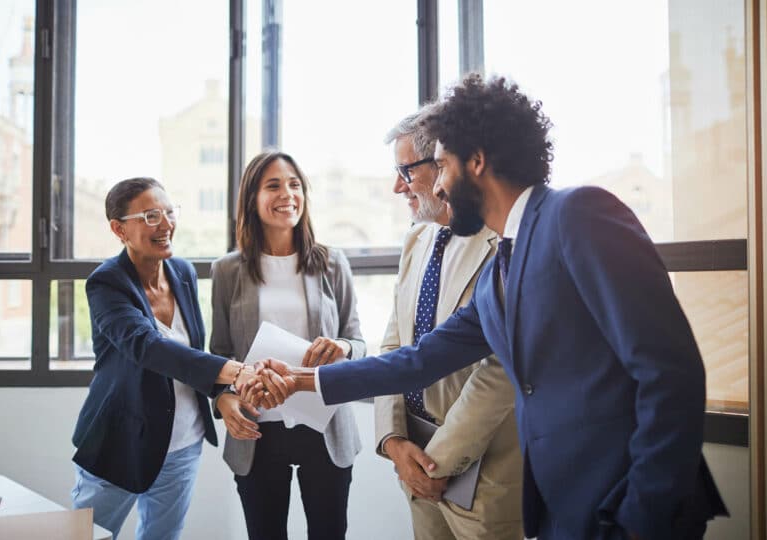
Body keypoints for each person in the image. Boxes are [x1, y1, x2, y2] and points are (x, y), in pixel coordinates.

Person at [256, 75, 729, 540]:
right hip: (563, 507)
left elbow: (671, 372)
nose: (437, 187)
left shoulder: (579, 214)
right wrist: (303, 381)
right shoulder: (503, 266)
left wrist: (643, 516)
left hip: (626, 506)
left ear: (477, 161)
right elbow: (419, 360)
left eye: (440, 166)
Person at [71, 177, 288, 540]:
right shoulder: (106, 283)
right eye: (151, 216)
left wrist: (222, 394)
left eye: (169, 213)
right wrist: (237, 372)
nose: (167, 224)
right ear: (118, 228)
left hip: (182, 443)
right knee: (84, 537)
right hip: (119, 443)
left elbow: (191, 356)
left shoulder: (182, 272)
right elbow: (147, 346)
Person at [375, 110, 522, 539]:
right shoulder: (416, 238)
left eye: (406, 171)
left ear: (444, 164)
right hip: (413, 458)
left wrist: (436, 461)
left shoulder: (501, 244)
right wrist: (392, 441)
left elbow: (500, 372)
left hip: (483, 473)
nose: (397, 186)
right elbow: (393, 346)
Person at [210, 150, 364, 540]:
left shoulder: (332, 262)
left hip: (324, 426)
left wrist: (343, 347)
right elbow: (218, 354)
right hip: (257, 429)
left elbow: (359, 342)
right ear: (252, 198)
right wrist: (223, 399)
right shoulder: (228, 270)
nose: (288, 194)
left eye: (295, 185)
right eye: (274, 185)